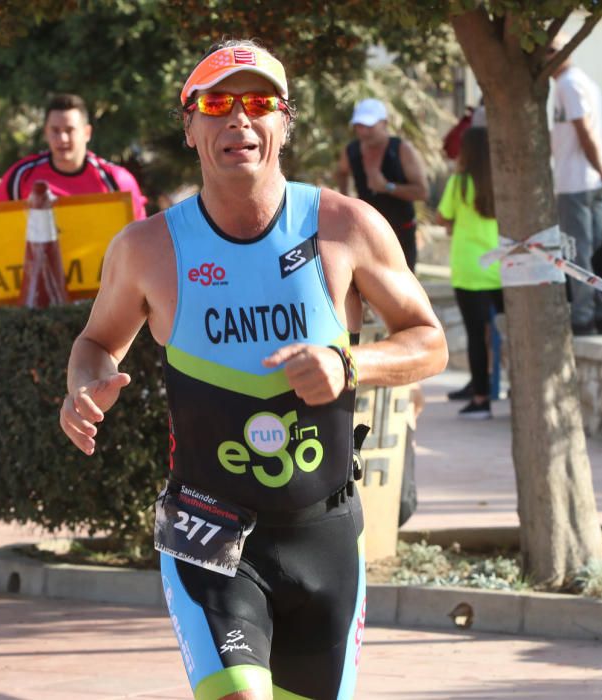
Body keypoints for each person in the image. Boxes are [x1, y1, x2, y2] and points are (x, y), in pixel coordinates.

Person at [59, 40, 447, 699]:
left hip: (324, 535)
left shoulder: (344, 227)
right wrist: (83, 387)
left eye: (259, 102)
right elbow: (97, 342)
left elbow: (429, 342)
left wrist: (347, 365)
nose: (239, 118)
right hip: (207, 532)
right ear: (190, 126)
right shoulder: (148, 248)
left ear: (283, 122)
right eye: (216, 103)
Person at [548, 33, 602, 336]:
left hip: (576, 182)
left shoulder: (568, 84)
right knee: (594, 250)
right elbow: (600, 132)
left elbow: (586, 131)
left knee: (579, 253)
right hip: (588, 180)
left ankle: (582, 318)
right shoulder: (584, 82)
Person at [0, 93, 147, 221]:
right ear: (46, 133)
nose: (62, 139)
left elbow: (139, 239)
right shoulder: (20, 177)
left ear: (87, 133)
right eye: (55, 130)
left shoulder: (116, 181)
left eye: (69, 130)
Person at [436, 127, 503, 419]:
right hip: (500, 268)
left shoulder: (459, 183)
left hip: (468, 270)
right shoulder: (503, 182)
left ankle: (480, 399)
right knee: (505, 334)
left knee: (477, 336)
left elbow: (442, 217)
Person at [336, 97, 429, 271]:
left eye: (369, 126)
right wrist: (345, 198)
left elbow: (422, 192)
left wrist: (388, 187)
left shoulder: (401, 149)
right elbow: (341, 172)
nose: (363, 132)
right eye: (359, 126)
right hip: (366, 232)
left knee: (402, 291)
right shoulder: (351, 151)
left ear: (384, 123)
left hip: (401, 232)